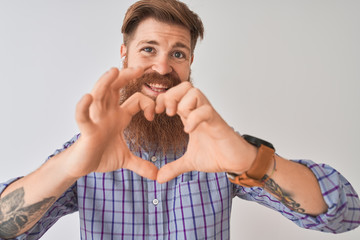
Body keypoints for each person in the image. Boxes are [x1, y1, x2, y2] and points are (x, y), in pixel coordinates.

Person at [0, 0, 359, 239]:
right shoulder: (87, 154)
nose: (162, 67)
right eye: (148, 50)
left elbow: (344, 213)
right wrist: (69, 166)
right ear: (124, 55)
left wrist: (252, 161)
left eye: (177, 53)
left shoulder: (218, 149)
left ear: (190, 64)